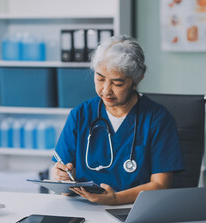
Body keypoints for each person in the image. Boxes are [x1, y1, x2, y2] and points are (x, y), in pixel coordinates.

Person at [52, 35, 184, 205]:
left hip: (135, 212)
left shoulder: (157, 119)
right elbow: (64, 178)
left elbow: (161, 184)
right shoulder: (80, 115)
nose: (106, 90)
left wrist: (115, 199)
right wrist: (62, 177)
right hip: (83, 210)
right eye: (100, 79)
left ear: (136, 81)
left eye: (117, 83)